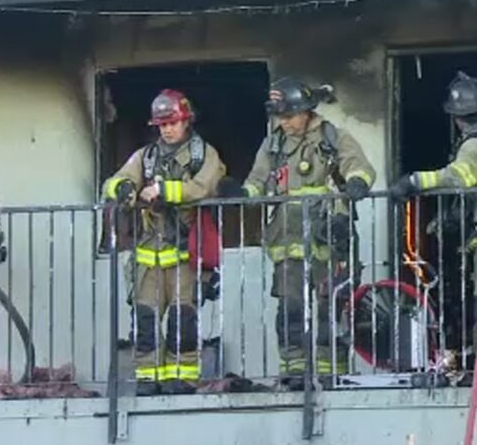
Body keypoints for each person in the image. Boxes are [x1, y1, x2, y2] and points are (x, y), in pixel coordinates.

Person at [219, 78, 375, 381]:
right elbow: (258, 181)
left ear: (305, 111)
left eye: (288, 116)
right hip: (287, 238)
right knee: (290, 308)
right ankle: (294, 372)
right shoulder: (273, 144)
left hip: (330, 235)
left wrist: (357, 181)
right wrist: (241, 193)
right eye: (279, 116)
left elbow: (358, 165)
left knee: (332, 307)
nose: (284, 122)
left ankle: (334, 373)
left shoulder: (332, 137)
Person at [389, 71, 477, 371]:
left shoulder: (475, 145)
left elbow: (460, 177)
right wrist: (451, 220)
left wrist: (414, 181)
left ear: (459, 119)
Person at [103, 90, 226, 392]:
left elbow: (204, 187)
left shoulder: (203, 155)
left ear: (187, 121)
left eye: (173, 123)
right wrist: (123, 190)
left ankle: (182, 378)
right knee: (143, 322)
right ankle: (148, 378)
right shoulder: (145, 156)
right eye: (162, 125)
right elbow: (114, 181)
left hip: (185, 255)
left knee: (182, 322)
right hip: (148, 255)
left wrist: (165, 192)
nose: (167, 130)